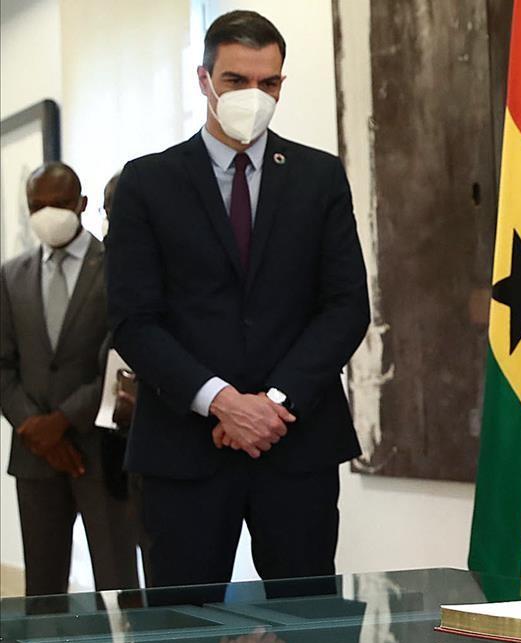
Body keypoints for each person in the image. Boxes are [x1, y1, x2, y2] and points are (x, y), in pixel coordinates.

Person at [105, 10, 369, 587]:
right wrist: (222, 401)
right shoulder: (147, 184)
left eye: (268, 83)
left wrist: (270, 404)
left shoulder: (318, 177)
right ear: (204, 80)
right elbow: (133, 320)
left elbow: (346, 306)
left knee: (309, 631)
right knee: (179, 638)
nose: (254, 95)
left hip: (297, 444)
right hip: (183, 451)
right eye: (236, 81)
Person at [0, 161, 140, 595]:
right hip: (34, 454)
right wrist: (33, 427)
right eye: (36, 205)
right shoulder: (11, 275)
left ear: (80, 203)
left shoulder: (118, 266)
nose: (47, 213)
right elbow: (3, 363)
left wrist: (61, 422)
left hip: (102, 448)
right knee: (42, 593)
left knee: (118, 588)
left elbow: (121, 360)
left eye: (58, 203)